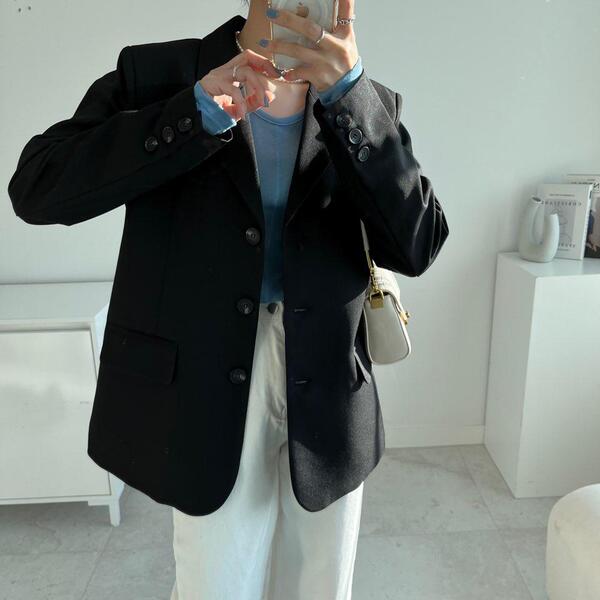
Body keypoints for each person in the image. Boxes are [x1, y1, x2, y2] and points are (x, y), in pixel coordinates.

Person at [7, 0, 449, 598]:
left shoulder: (369, 103)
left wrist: (349, 95)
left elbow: (419, 244)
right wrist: (192, 112)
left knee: (320, 585)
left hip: (329, 376)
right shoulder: (159, 76)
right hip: (202, 370)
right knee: (216, 583)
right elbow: (36, 186)